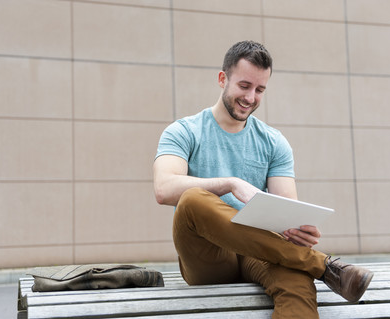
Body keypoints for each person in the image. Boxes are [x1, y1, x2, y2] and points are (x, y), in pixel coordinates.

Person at [153, 40, 373, 318]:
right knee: (193, 200)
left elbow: (285, 211)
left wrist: (296, 229)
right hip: (208, 255)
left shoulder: (273, 141)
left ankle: (316, 266)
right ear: (223, 79)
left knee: (297, 279)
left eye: (260, 90)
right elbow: (164, 189)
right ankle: (323, 266)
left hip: (258, 250)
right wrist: (230, 183)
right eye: (244, 86)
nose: (251, 97)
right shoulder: (184, 131)